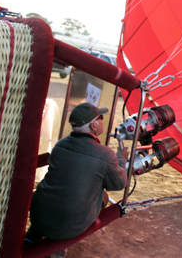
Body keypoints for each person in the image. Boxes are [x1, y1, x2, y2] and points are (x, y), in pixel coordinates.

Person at [26, 103, 128, 249]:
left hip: (38, 216)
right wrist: (121, 159)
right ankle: (58, 245)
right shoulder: (106, 155)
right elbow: (119, 184)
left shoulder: (60, 145)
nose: (102, 121)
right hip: (69, 225)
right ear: (93, 126)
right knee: (103, 196)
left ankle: (32, 235)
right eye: (101, 118)